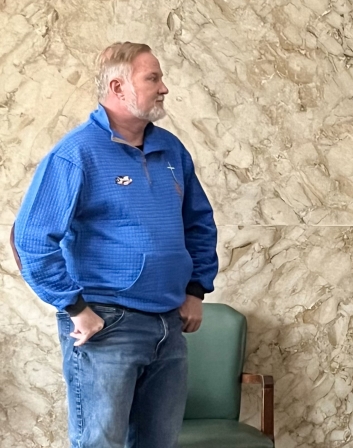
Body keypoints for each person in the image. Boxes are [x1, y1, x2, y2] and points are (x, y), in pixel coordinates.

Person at [12, 42, 218, 448]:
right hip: (107, 326)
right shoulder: (76, 153)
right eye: (153, 78)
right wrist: (76, 309)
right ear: (118, 86)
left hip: (168, 324)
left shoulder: (171, 149)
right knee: (100, 443)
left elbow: (199, 223)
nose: (164, 88)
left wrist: (196, 290)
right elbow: (32, 239)